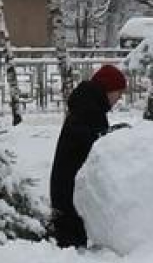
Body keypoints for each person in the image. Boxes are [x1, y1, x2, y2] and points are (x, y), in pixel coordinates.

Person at [49, 64, 127, 248]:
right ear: (108, 89)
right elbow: (90, 140)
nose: (119, 98)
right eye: (118, 92)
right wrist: (111, 135)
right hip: (69, 195)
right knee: (73, 251)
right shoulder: (89, 107)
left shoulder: (89, 103)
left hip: (70, 191)